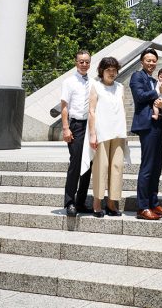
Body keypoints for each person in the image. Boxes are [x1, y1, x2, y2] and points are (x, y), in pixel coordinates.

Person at [129, 47, 162, 220]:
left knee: (157, 166)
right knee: (148, 166)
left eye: (154, 60)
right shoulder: (137, 76)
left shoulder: (155, 79)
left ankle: (154, 203)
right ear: (142, 61)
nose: (151, 63)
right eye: (148, 60)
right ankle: (142, 207)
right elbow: (139, 97)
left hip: (158, 126)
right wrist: (158, 91)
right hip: (147, 125)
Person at [87, 57, 128, 217]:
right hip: (102, 133)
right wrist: (92, 134)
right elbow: (91, 111)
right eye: (108, 70)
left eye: (114, 70)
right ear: (102, 71)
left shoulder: (120, 87)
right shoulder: (96, 86)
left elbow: (122, 109)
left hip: (118, 132)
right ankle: (97, 203)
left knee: (117, 168)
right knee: (100, 168)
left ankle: (112, 203)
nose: (111, 73)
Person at [60, 50, 94, 217]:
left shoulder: (93, 82)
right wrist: (66, 128)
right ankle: (69, 202)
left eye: (87, 61)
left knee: (88, 165)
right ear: (76, 62)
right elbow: (64, 106)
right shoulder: (69, 82)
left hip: (90, 126)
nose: (84, 64)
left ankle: (81, 202)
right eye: (81, 61)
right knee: (75, 163)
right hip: (76, 125)